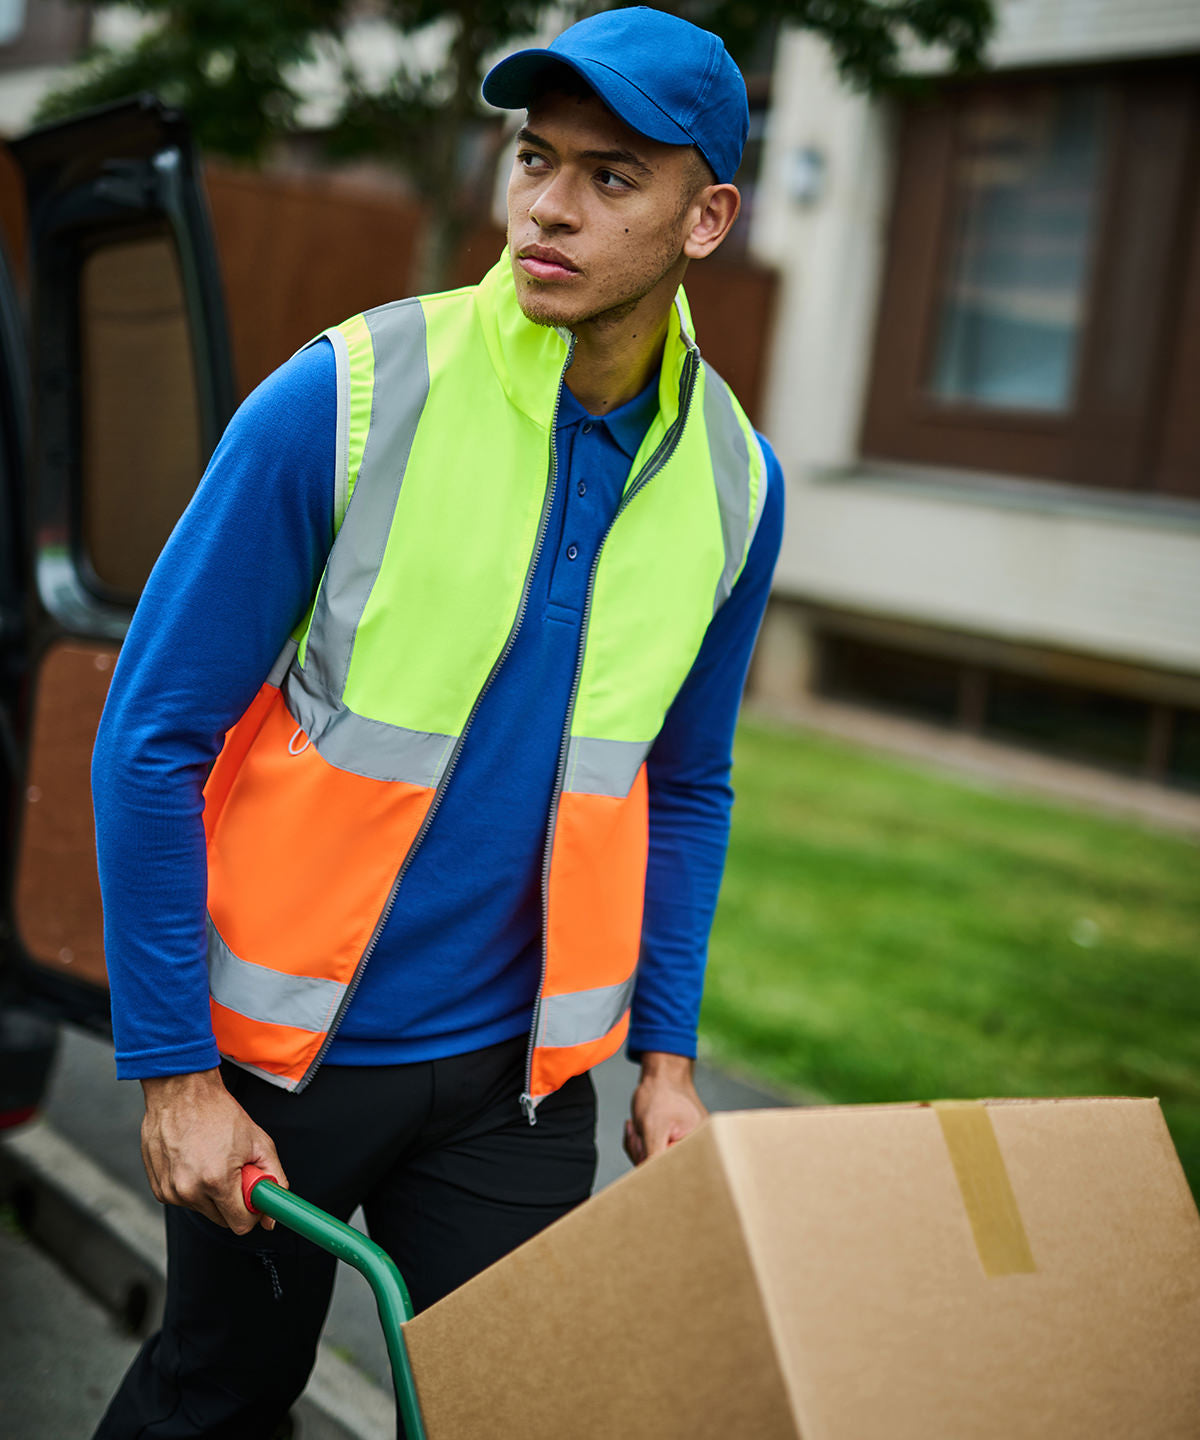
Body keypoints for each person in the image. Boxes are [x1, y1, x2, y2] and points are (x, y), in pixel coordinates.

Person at [90, 6, 784, 1436]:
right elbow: (148, 736)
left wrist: (666, 1060)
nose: (544, 203)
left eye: (610, 176)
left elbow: (690, 781)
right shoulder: (345, 397)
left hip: (518, 1088)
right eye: (535, 156)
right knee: (218, 1395)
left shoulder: (735, 481)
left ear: (706, 218)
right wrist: (172, 1078)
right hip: (287, 1067)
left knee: (505, 1413)